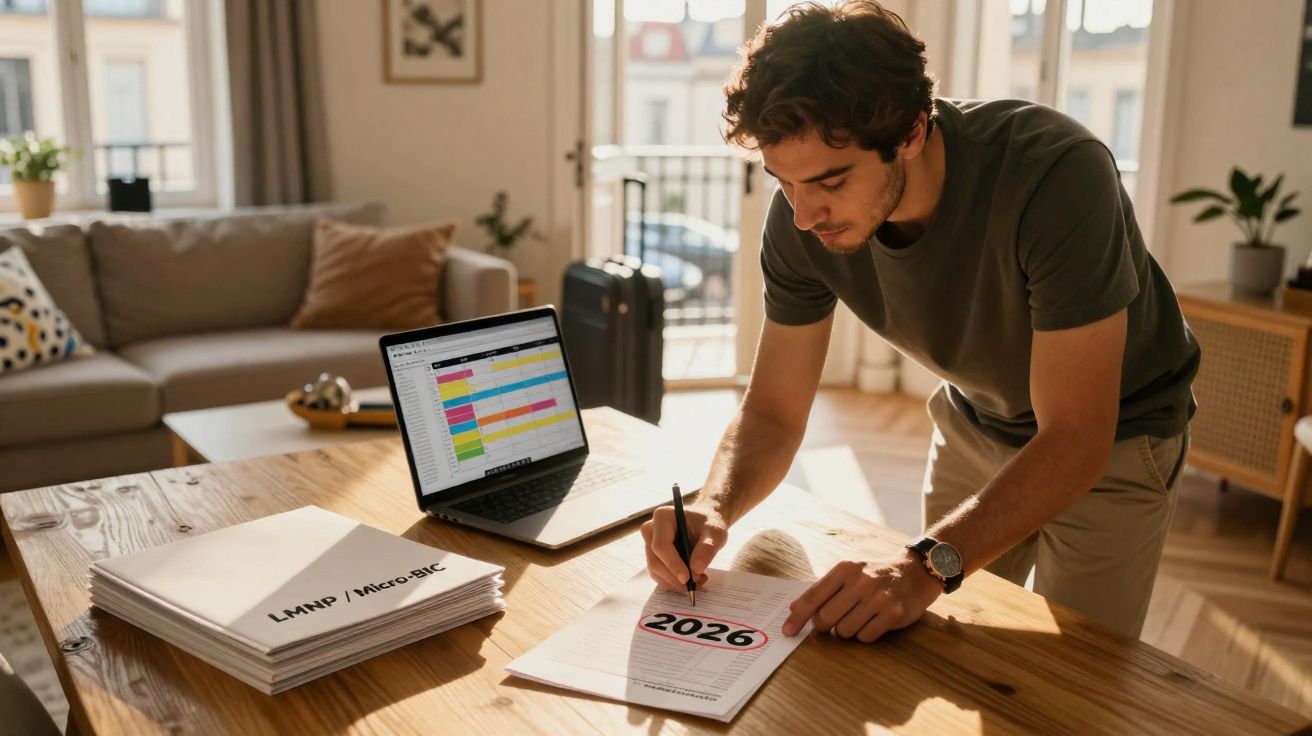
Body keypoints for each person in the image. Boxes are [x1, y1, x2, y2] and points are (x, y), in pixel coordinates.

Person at [641, 0, 1199, 642]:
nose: (803, 216)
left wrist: (923, 565)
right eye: (783, 182)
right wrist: (715, 504)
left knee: (1078, 678)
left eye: (829, 180)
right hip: (975, 420)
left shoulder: (1057, 175)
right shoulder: (798, 220)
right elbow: (772, 410)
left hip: (1116, 438)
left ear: (910, 131)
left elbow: (1075, 436)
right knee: (947, 647)